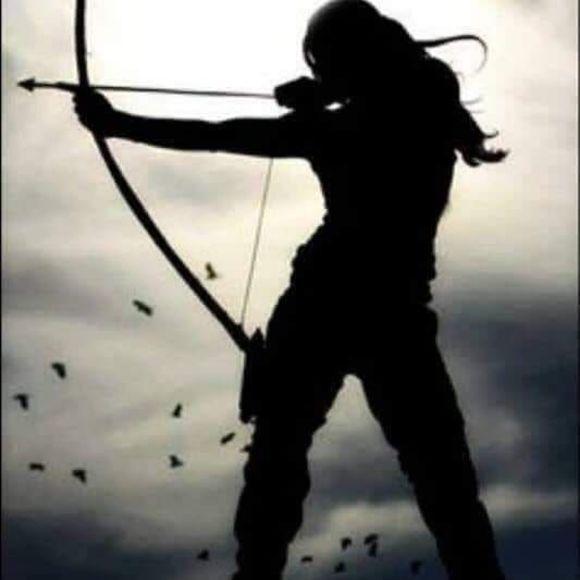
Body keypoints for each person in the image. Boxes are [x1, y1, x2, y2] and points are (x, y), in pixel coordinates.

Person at [74, 1, 508, 579]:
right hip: (372, 308)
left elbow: (222, 135)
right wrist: (325, 96)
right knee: (400, 468)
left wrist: (119, 124)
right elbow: (226, 135)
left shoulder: (374, 115)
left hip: (342, 307)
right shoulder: (406, 108)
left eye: (330, 61)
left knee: (383, 468)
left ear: (353, 58)